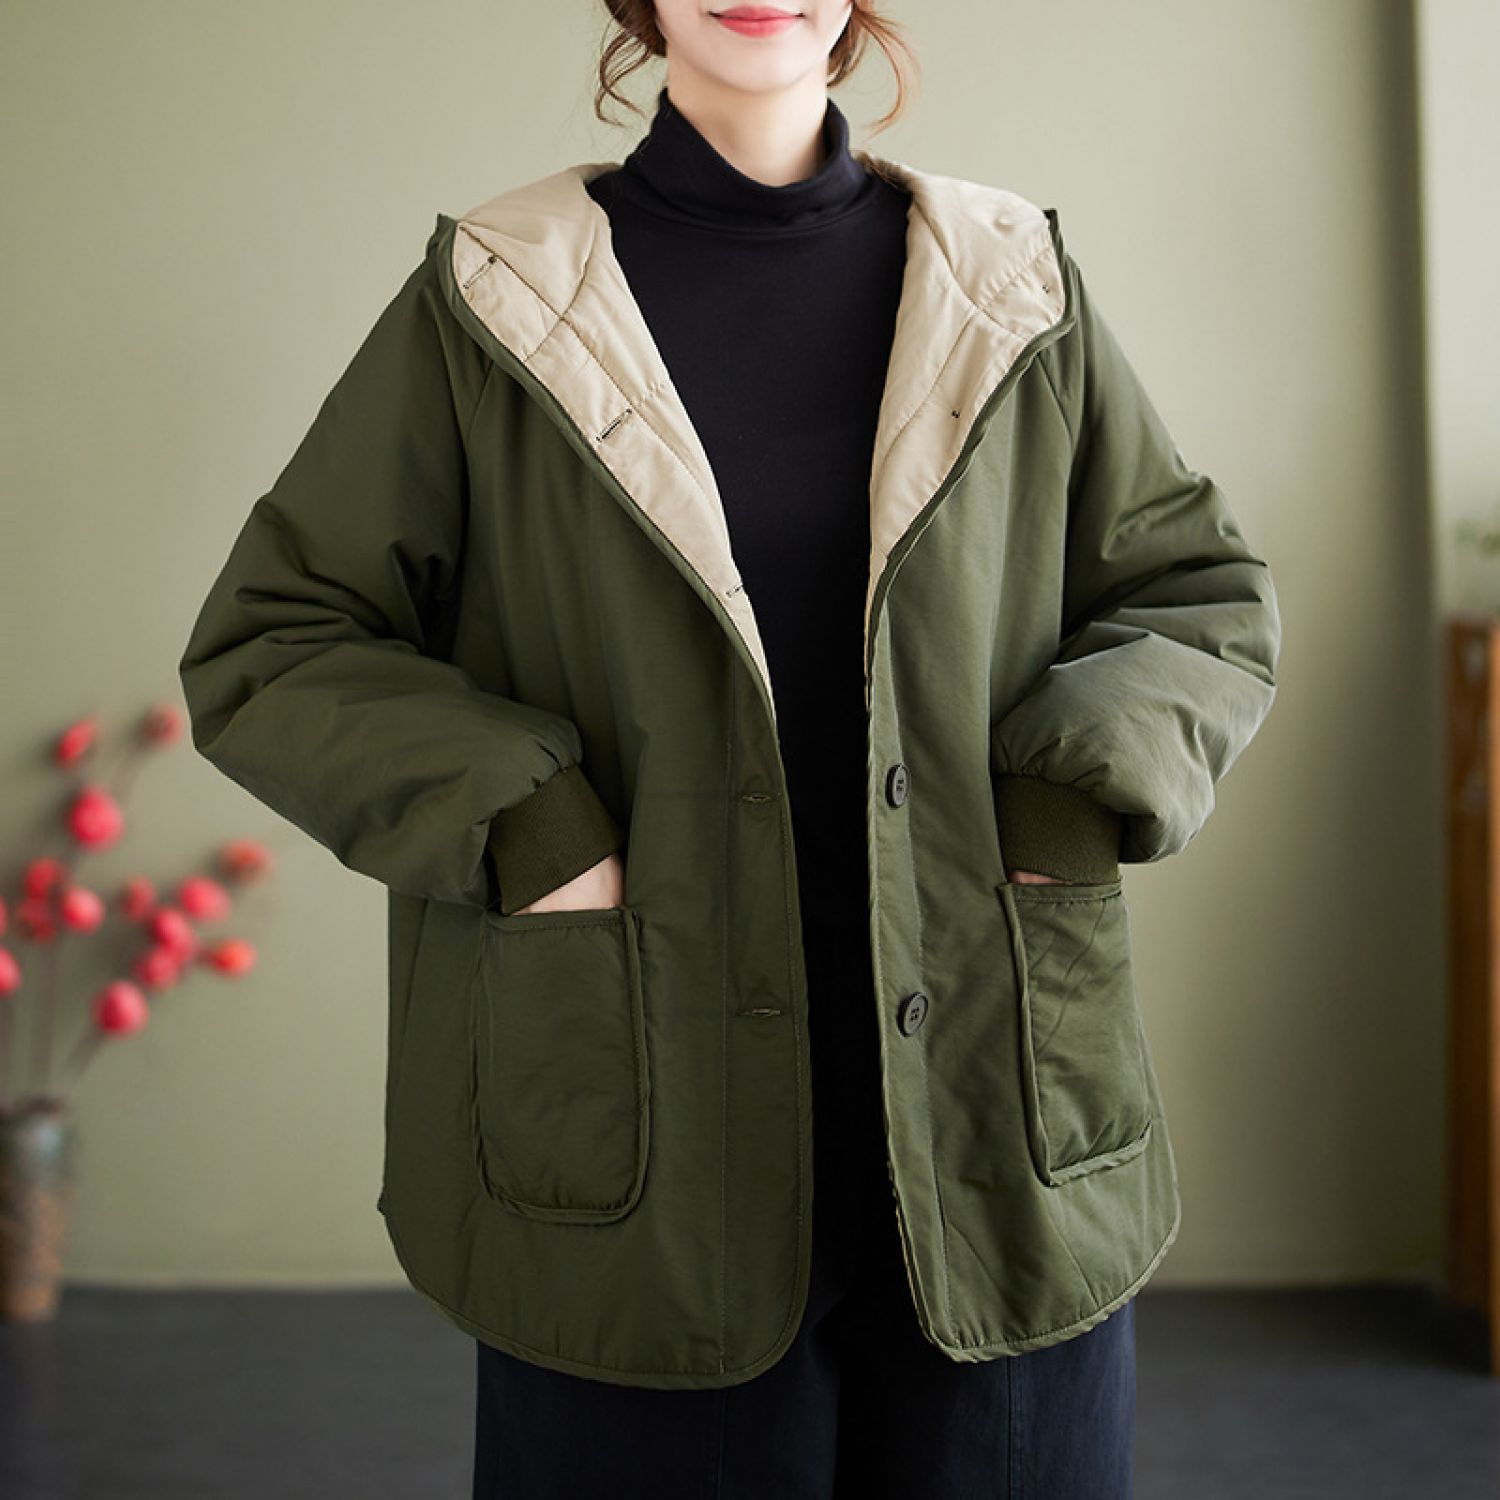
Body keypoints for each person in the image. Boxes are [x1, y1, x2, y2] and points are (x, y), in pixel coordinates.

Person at [178, 3, 1281, 1496]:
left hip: (997, 1093)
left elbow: (1197, 594)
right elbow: (276, 640)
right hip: (635, 1113)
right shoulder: (499, 294)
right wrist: (530, 826)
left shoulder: (1010, 279)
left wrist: (1067, 807)